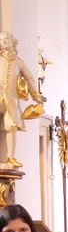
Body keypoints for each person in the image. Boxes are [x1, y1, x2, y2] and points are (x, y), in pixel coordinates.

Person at [0, 31, 43, 168]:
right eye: (1, 40)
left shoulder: (18, 62)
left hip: (11, 100)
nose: (3, 42)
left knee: (10, 126)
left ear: (12, 41)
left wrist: (35, 95)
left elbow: (29, 78)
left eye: (6, 39)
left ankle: (10, 157)